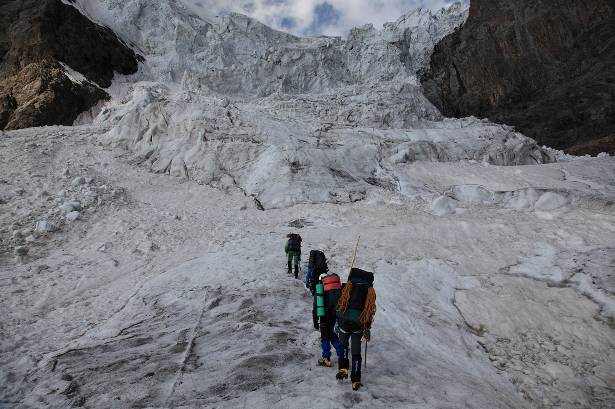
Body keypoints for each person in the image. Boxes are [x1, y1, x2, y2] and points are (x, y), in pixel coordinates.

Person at [335, 268, 376, 391]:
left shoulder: (347, 287)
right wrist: (367, 328)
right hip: (358, 324)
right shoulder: (370, 292)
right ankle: (355, 380)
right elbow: (369, 313)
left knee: (343, 345)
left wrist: (338, 321)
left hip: (344, 323)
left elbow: (339, 304)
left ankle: (343, 369)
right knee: (356, 352)